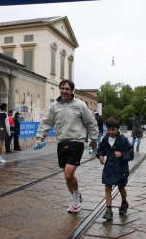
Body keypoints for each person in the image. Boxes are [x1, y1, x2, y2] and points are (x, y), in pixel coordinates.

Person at [36, 79, 98, 213]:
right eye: (62, 88)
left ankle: (77, 199)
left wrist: (93, 139)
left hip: (76, 142)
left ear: (72, 91)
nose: (64, 91)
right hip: (62, 143)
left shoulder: (80, 105)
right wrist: (40, 136)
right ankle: (76, 197)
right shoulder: (55, 106)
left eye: (67, 89)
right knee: (66, 175)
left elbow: (91, 123)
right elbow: (46, 122)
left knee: (69, 174)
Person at [97, 116, 134, 220]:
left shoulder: (123, 140)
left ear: (118, 128)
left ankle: (124, 202)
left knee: (121, 187)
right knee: (107, 187)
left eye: (113, 129)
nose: (111, 132)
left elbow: (131, 154)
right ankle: (108, 210)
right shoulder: (105, 139)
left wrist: (122, 154)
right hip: (109, 167)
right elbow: (101, 149)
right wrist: (100, 155)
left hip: (121, 168)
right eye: (109, 130)